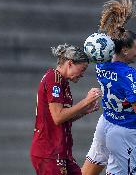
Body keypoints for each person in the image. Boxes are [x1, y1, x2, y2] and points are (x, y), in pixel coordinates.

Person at [81, 0, 136, 175]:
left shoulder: (102, 62)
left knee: (88, 170)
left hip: (105, 122)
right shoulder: (127, 74)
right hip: (123, 130)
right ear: (125, 50)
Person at [30, 44, 102, 175]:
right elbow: (58, 117)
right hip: (49, 152)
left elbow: (64, 118)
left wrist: (84, 111)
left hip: (62, 152)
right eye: (82, 69)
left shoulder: (63, 83)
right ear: (70, 64)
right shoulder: (53, 79)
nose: (82, 74)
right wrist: (86, 100)